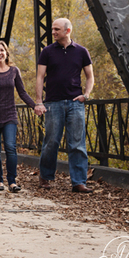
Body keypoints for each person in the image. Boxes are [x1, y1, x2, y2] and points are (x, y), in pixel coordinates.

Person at [35, 18, 95, 193]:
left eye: (56, 29)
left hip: (75, 103)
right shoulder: (47, 51)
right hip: (53, 103)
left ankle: (78, 182)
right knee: (51, 142)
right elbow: (40, 77)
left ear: (67, 31)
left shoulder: (82, 51)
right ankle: (45, 176)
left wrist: (86, 95)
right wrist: (39, 101)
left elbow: (90, 76)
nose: (53, 32)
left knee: (77, 143)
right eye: (53, 29)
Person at [0, 41, 37, 193]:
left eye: (1, 50)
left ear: (6, 52)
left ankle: (12, 181)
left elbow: (22, 92)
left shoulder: (14, 71)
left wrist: (35, 106)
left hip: (9, 114)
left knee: (10, 147)